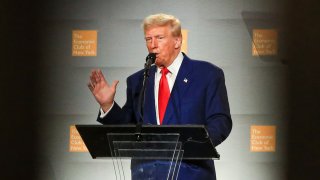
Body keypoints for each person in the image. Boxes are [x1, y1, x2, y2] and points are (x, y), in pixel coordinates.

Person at [88, 13, 232, 180]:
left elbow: (221, 121)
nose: (153, 45)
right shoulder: (138, 81)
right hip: (146, 174)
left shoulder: (207, 74)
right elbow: (129, 129)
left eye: (159, 38)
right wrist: (108, 105)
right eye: (148, 39)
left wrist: (194, 145)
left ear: (177, 41)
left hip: (190, 172)